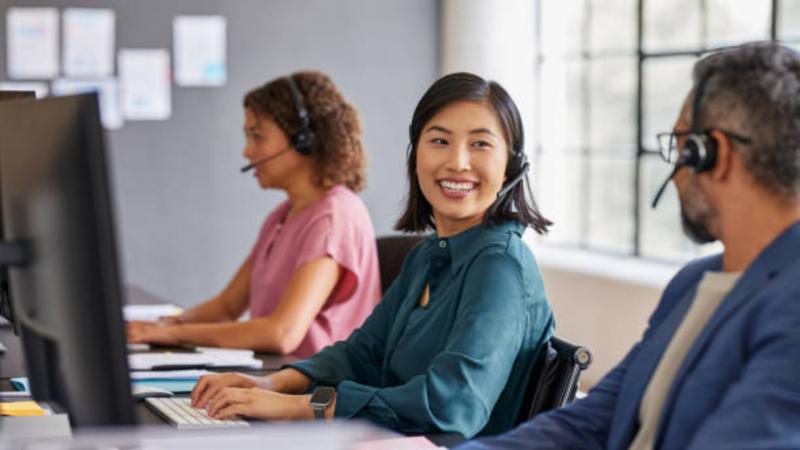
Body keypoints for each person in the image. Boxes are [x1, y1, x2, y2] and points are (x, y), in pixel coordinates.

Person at [457, 41, 800, 450]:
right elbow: (596, 418)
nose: (673, 176)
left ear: (712, 154)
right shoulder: (692, 284)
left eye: (678, 146)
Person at [190, 72, 556, 438]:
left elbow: (448, 406)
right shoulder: (428, 255)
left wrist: (298, 406)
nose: (457, 161)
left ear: (512, 163)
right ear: (417, 155)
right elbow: (363, 353)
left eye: (480, 144)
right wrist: (275, 384)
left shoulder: (500, 267)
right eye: (440, 141)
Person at [127, 71, 381, 357]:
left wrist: (172, 334)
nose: (248, 152)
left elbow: (282, 333)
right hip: (278, 378)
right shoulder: (282, 216)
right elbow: (227, 307)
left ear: (304, 141)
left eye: (257, 136)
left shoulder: (334, 217)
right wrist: (162, 324)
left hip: (315, 392)